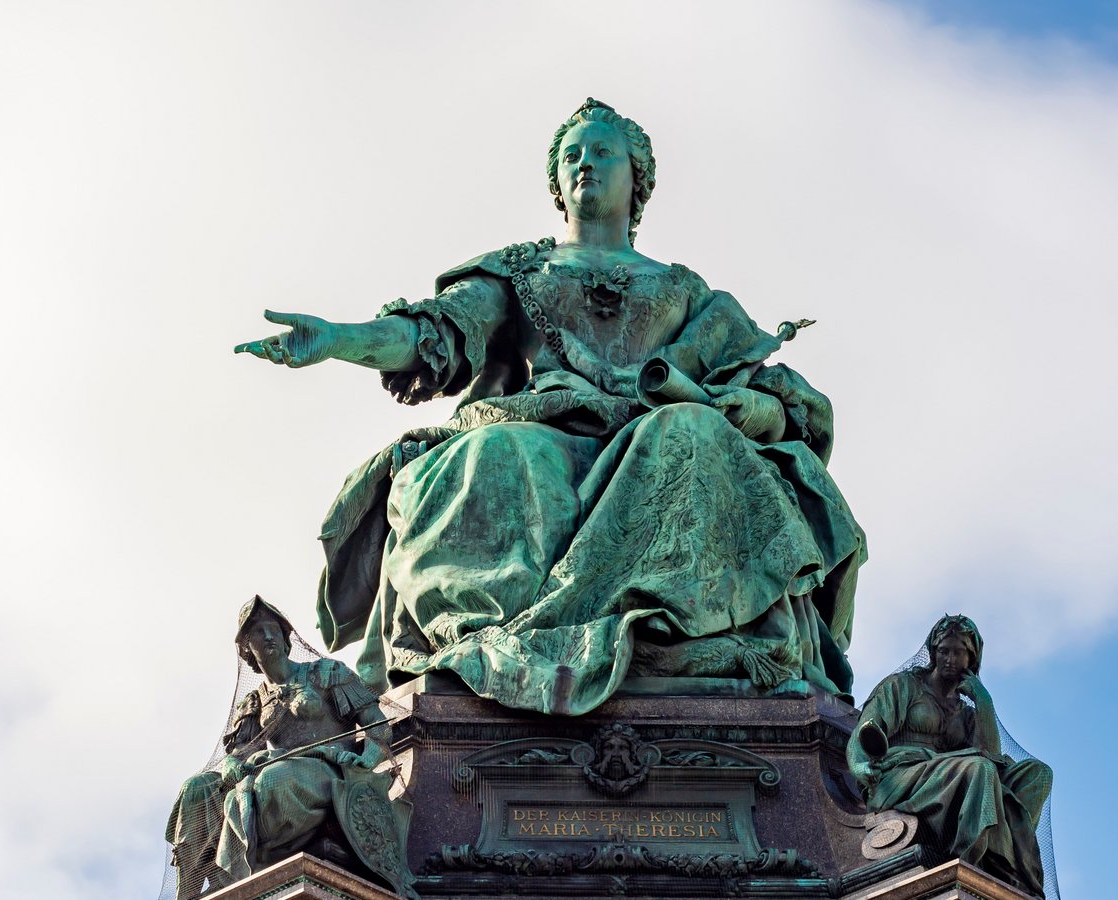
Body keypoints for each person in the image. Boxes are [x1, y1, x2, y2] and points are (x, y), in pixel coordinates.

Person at [236, 98, 867, 715]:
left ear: (637, 176)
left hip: (652, 428)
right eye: (570, 155)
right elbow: (437, 332)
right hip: (538, 424)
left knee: (693, 432)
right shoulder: (519, 271)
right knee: (494, 457)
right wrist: (339, 340)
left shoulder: (685, 290)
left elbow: (761, 384)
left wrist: (743, 407)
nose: (584, 163)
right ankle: (494, 642)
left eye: (601, 151)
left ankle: (661, 630)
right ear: (557, 182)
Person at [165, 597, 415, 899]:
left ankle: (235, 872)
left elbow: (378, 727)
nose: (269, 637)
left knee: (271, 782)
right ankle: (189, 892)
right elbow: (239, 753)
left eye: (274, 630)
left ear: (286, 642)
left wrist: (366, 759)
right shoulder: (255, 702)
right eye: (258, 633)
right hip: (279, 767)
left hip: (333, 772)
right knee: (195, 790)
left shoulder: (327, 673)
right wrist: (232, 763)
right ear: (248, 650)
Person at [847, 615, 1052, 896]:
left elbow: (991, 755)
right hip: (899, 777)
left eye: (959, 652)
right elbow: (866, 729)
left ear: (972, 659)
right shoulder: (904, 685)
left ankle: (1001, 862)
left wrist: (984, 702)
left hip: (949, 780)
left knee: (1037, 774)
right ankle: (969, 861)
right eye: (944, 650)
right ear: (933, 652)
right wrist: (859, 765)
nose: (949, 659)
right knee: (980, 770)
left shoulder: (967, 714)